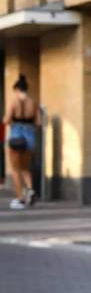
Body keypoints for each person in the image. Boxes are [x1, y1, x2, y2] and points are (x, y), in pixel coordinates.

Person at [3, 74, 40, 210]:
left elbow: (6, 120)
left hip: (16, 137)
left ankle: (20, 199)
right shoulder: (34, 102)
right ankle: (30, 191)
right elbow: (38, 122)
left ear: (17, 89)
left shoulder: (14, 102)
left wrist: (12, 121)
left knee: (15, 169)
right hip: (29, 137)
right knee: (25, 168)